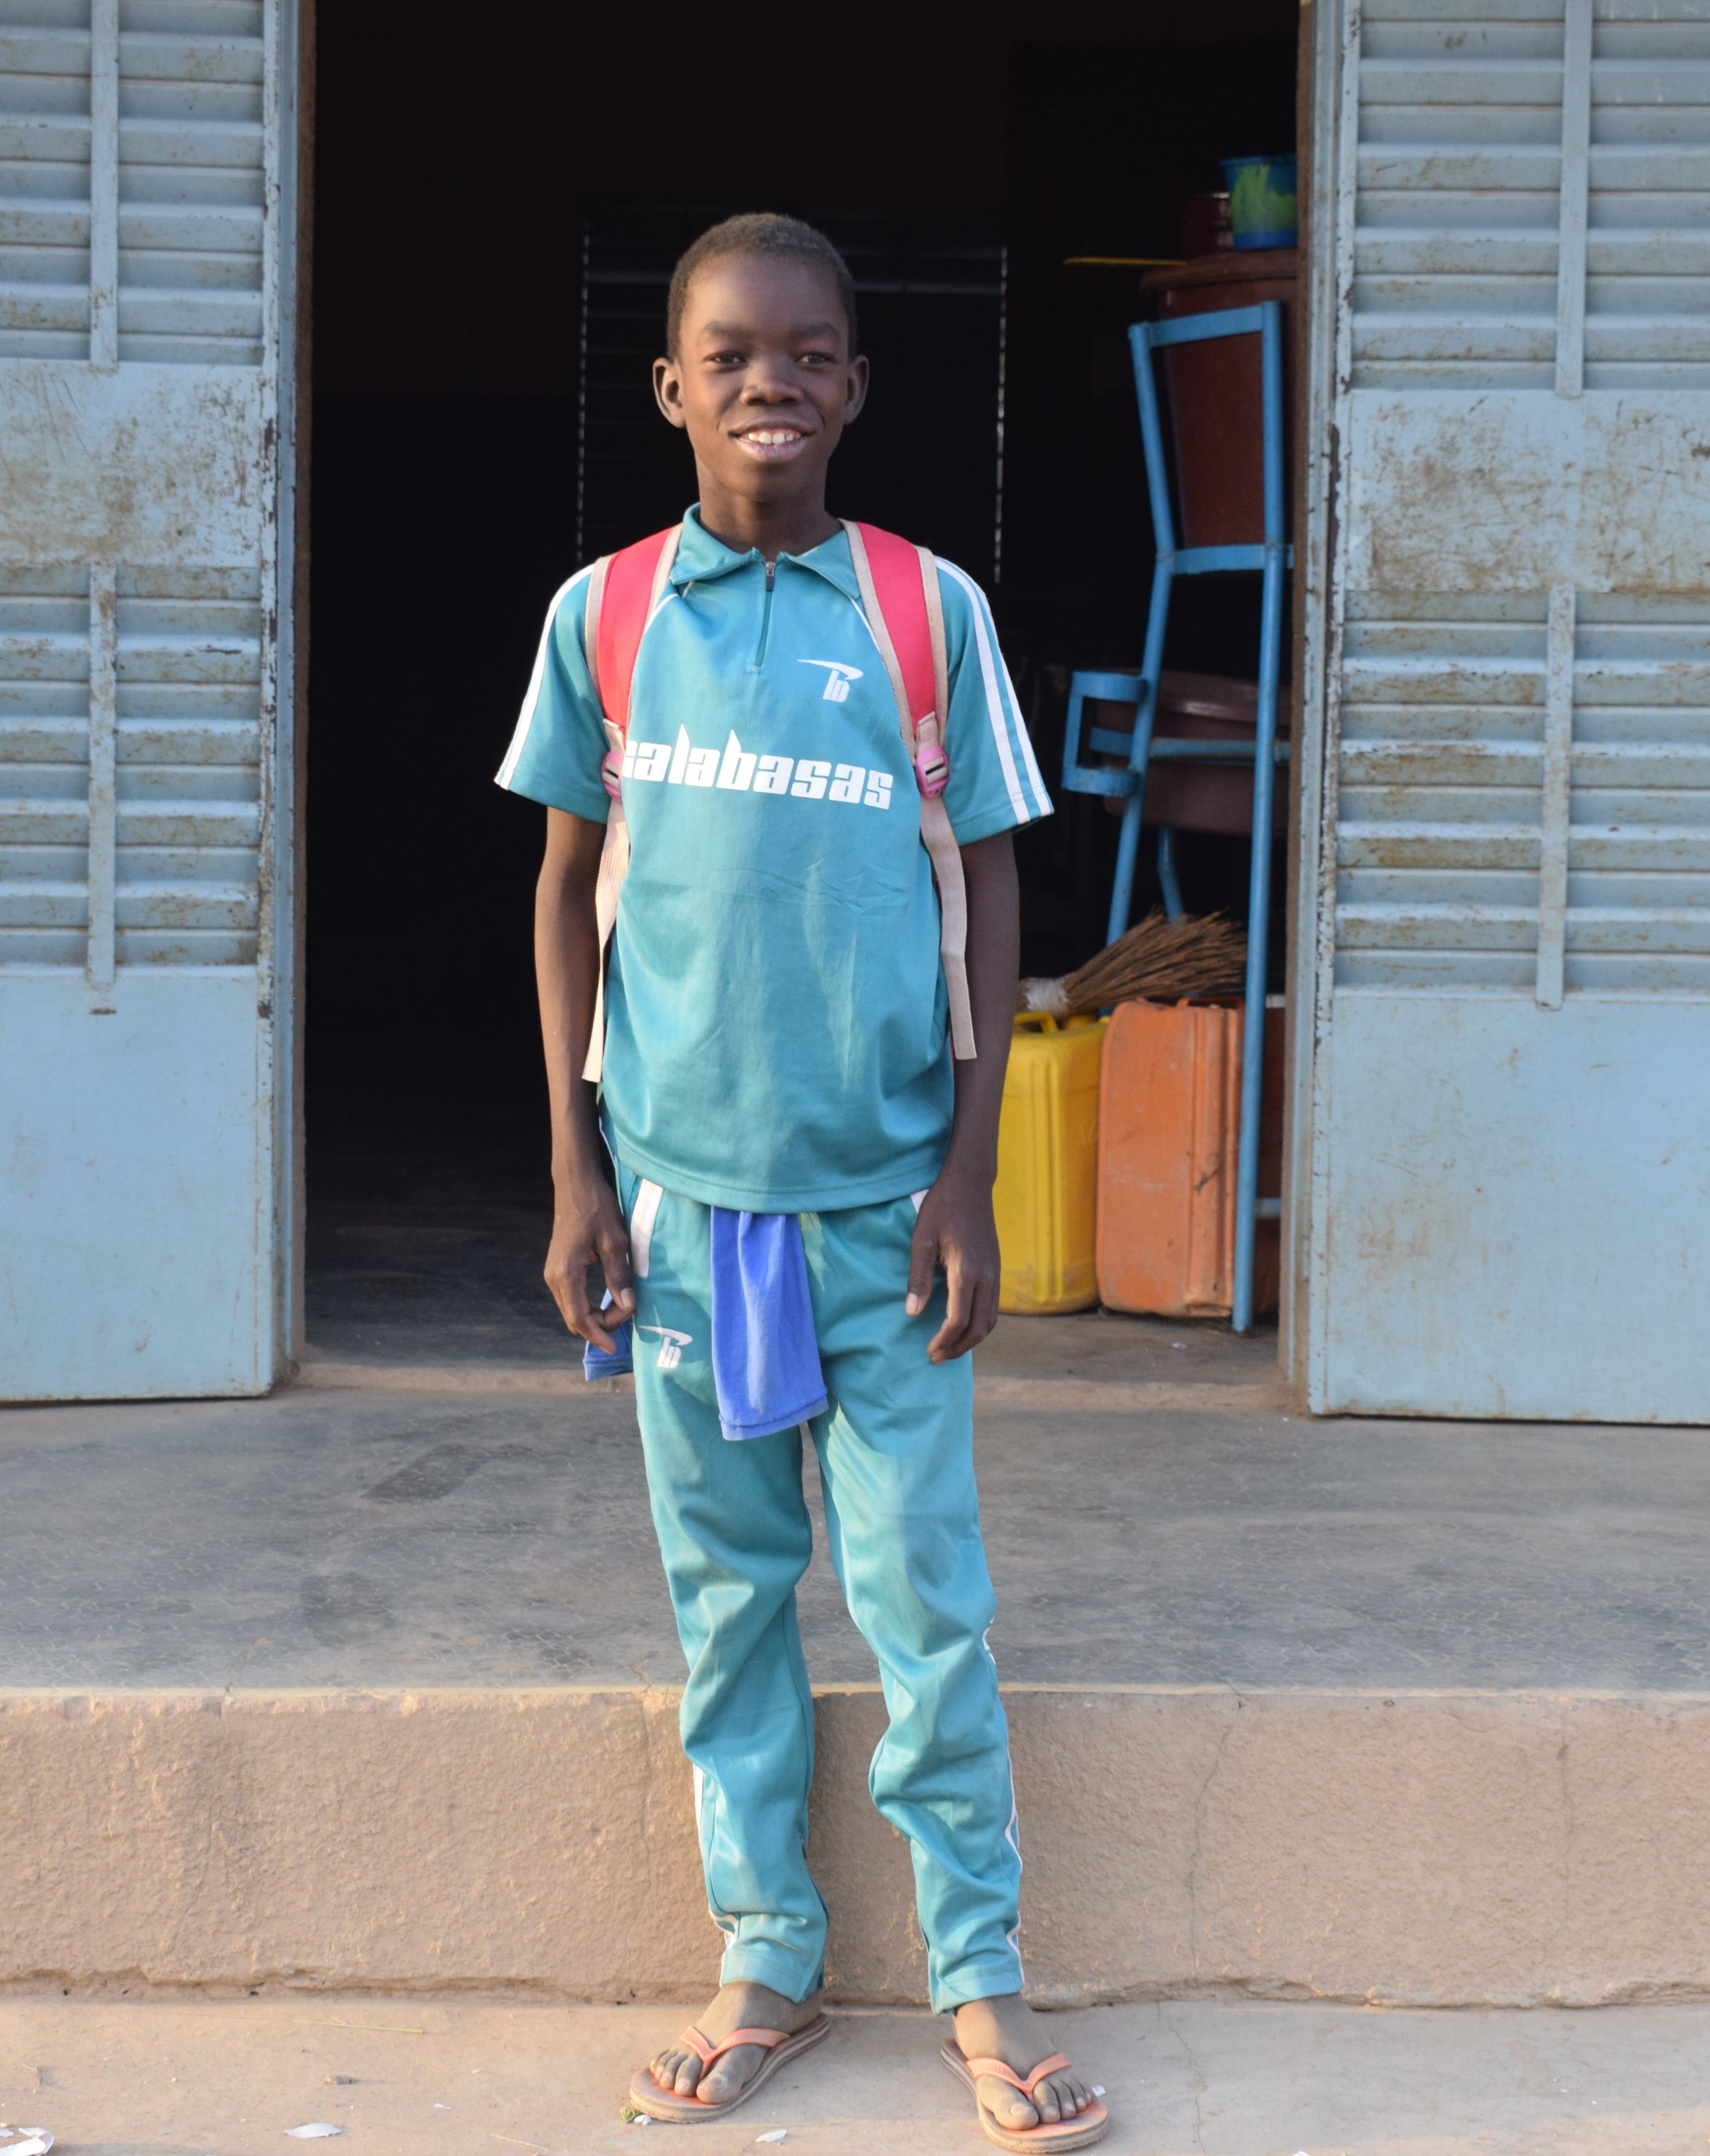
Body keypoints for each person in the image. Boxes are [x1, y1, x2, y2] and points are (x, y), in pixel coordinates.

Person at [492, 213, 1105, 2154]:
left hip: (883, 1213)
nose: (774, 381)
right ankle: (766, 1956)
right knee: (731, 1600)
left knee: (924, 1599)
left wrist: (967, 1176)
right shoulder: (606, 617)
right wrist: (578, 1170)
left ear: (856, 385)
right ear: (672, 387)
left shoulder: (926, 613)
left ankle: (980, 1976)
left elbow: (989, 879)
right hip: (685, 1212)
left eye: (811, 352)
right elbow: (566, 891)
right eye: (734, 354)